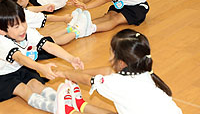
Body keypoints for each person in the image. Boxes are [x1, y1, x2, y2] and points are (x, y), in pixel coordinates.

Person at [0, 0, 84, 113]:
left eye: (23, 22)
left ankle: (63, 101)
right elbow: (19, 57)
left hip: (18, 68)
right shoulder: (0, 43)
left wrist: (71, 58)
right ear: (2, 31)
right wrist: (41, 68)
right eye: (16, 26)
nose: (22, 28)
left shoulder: (27, 32)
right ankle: (56, 109)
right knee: (23, 89)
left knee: (36, 84)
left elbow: (48, 46)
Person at [55, 29, 183, 114]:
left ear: (121, 62)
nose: (109, 58)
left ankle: (70, 111)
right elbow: (107, 71)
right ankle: (80, 104)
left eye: (111, 54)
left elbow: (87, 80)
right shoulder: (144, 72)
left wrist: (64, 73)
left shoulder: (116, 83)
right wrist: (76, 73)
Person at [0, 0, 89, 46]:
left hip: (20, 42)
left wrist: (43, 8)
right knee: (54, 40)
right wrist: (64, 18)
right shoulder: (25, 15)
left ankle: (70, 29)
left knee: (48, 36)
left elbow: (27, 9)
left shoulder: (6, 10)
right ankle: (78, 31)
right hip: (32, 46)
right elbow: (47, 18)